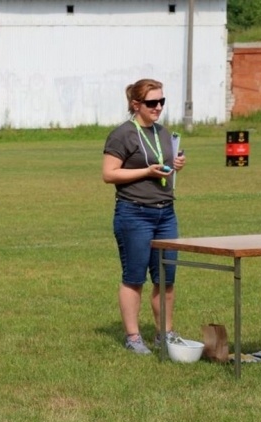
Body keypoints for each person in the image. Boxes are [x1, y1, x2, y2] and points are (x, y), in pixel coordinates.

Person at [102, 78, 187, 354]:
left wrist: (175, 165)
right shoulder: (122, 135)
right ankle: (134, 337)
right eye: (152, 102)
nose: (158, 107)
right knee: (134, 277)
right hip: (134, 213)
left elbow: (163, 164)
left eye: (162, 101)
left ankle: (165, 333)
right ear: (135, 104)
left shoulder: (163, 133)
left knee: (166, 278)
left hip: (166, 213)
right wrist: (147, 171)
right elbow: (109, 174)